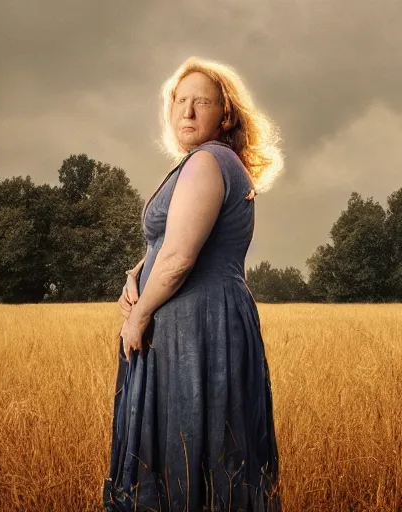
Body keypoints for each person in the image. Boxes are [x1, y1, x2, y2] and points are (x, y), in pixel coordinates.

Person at [103, 56, 284, 512]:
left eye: (200, 101)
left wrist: (138, 316)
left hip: (196, 328)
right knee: (196, 447)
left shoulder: (209, 160)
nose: (186, 111)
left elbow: (181, 258)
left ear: (224, 114)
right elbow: (176, 240)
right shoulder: (205, 162)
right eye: (180, 101)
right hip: (199, 322)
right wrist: (137, 271)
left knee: (189, 447)